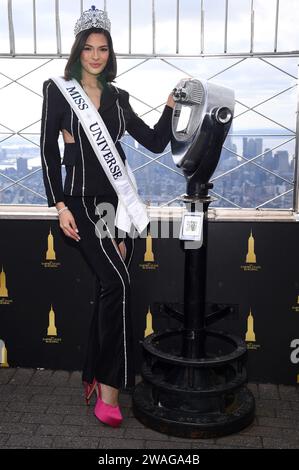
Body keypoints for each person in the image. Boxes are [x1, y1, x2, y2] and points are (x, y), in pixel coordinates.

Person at [40, 5, 174, 428]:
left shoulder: (119, 98)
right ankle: (112, 389)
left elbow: (153, 142)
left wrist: (170, 107)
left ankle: (91, 375)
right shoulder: (58, 91)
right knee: (118, 283)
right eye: (88, 48)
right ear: (78, 51)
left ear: (109, 53)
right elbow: (46, 151)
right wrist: (59, 205)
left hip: (118, 206)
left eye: (102, 49)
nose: (95, 55)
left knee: (106, 291)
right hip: (79, 204)